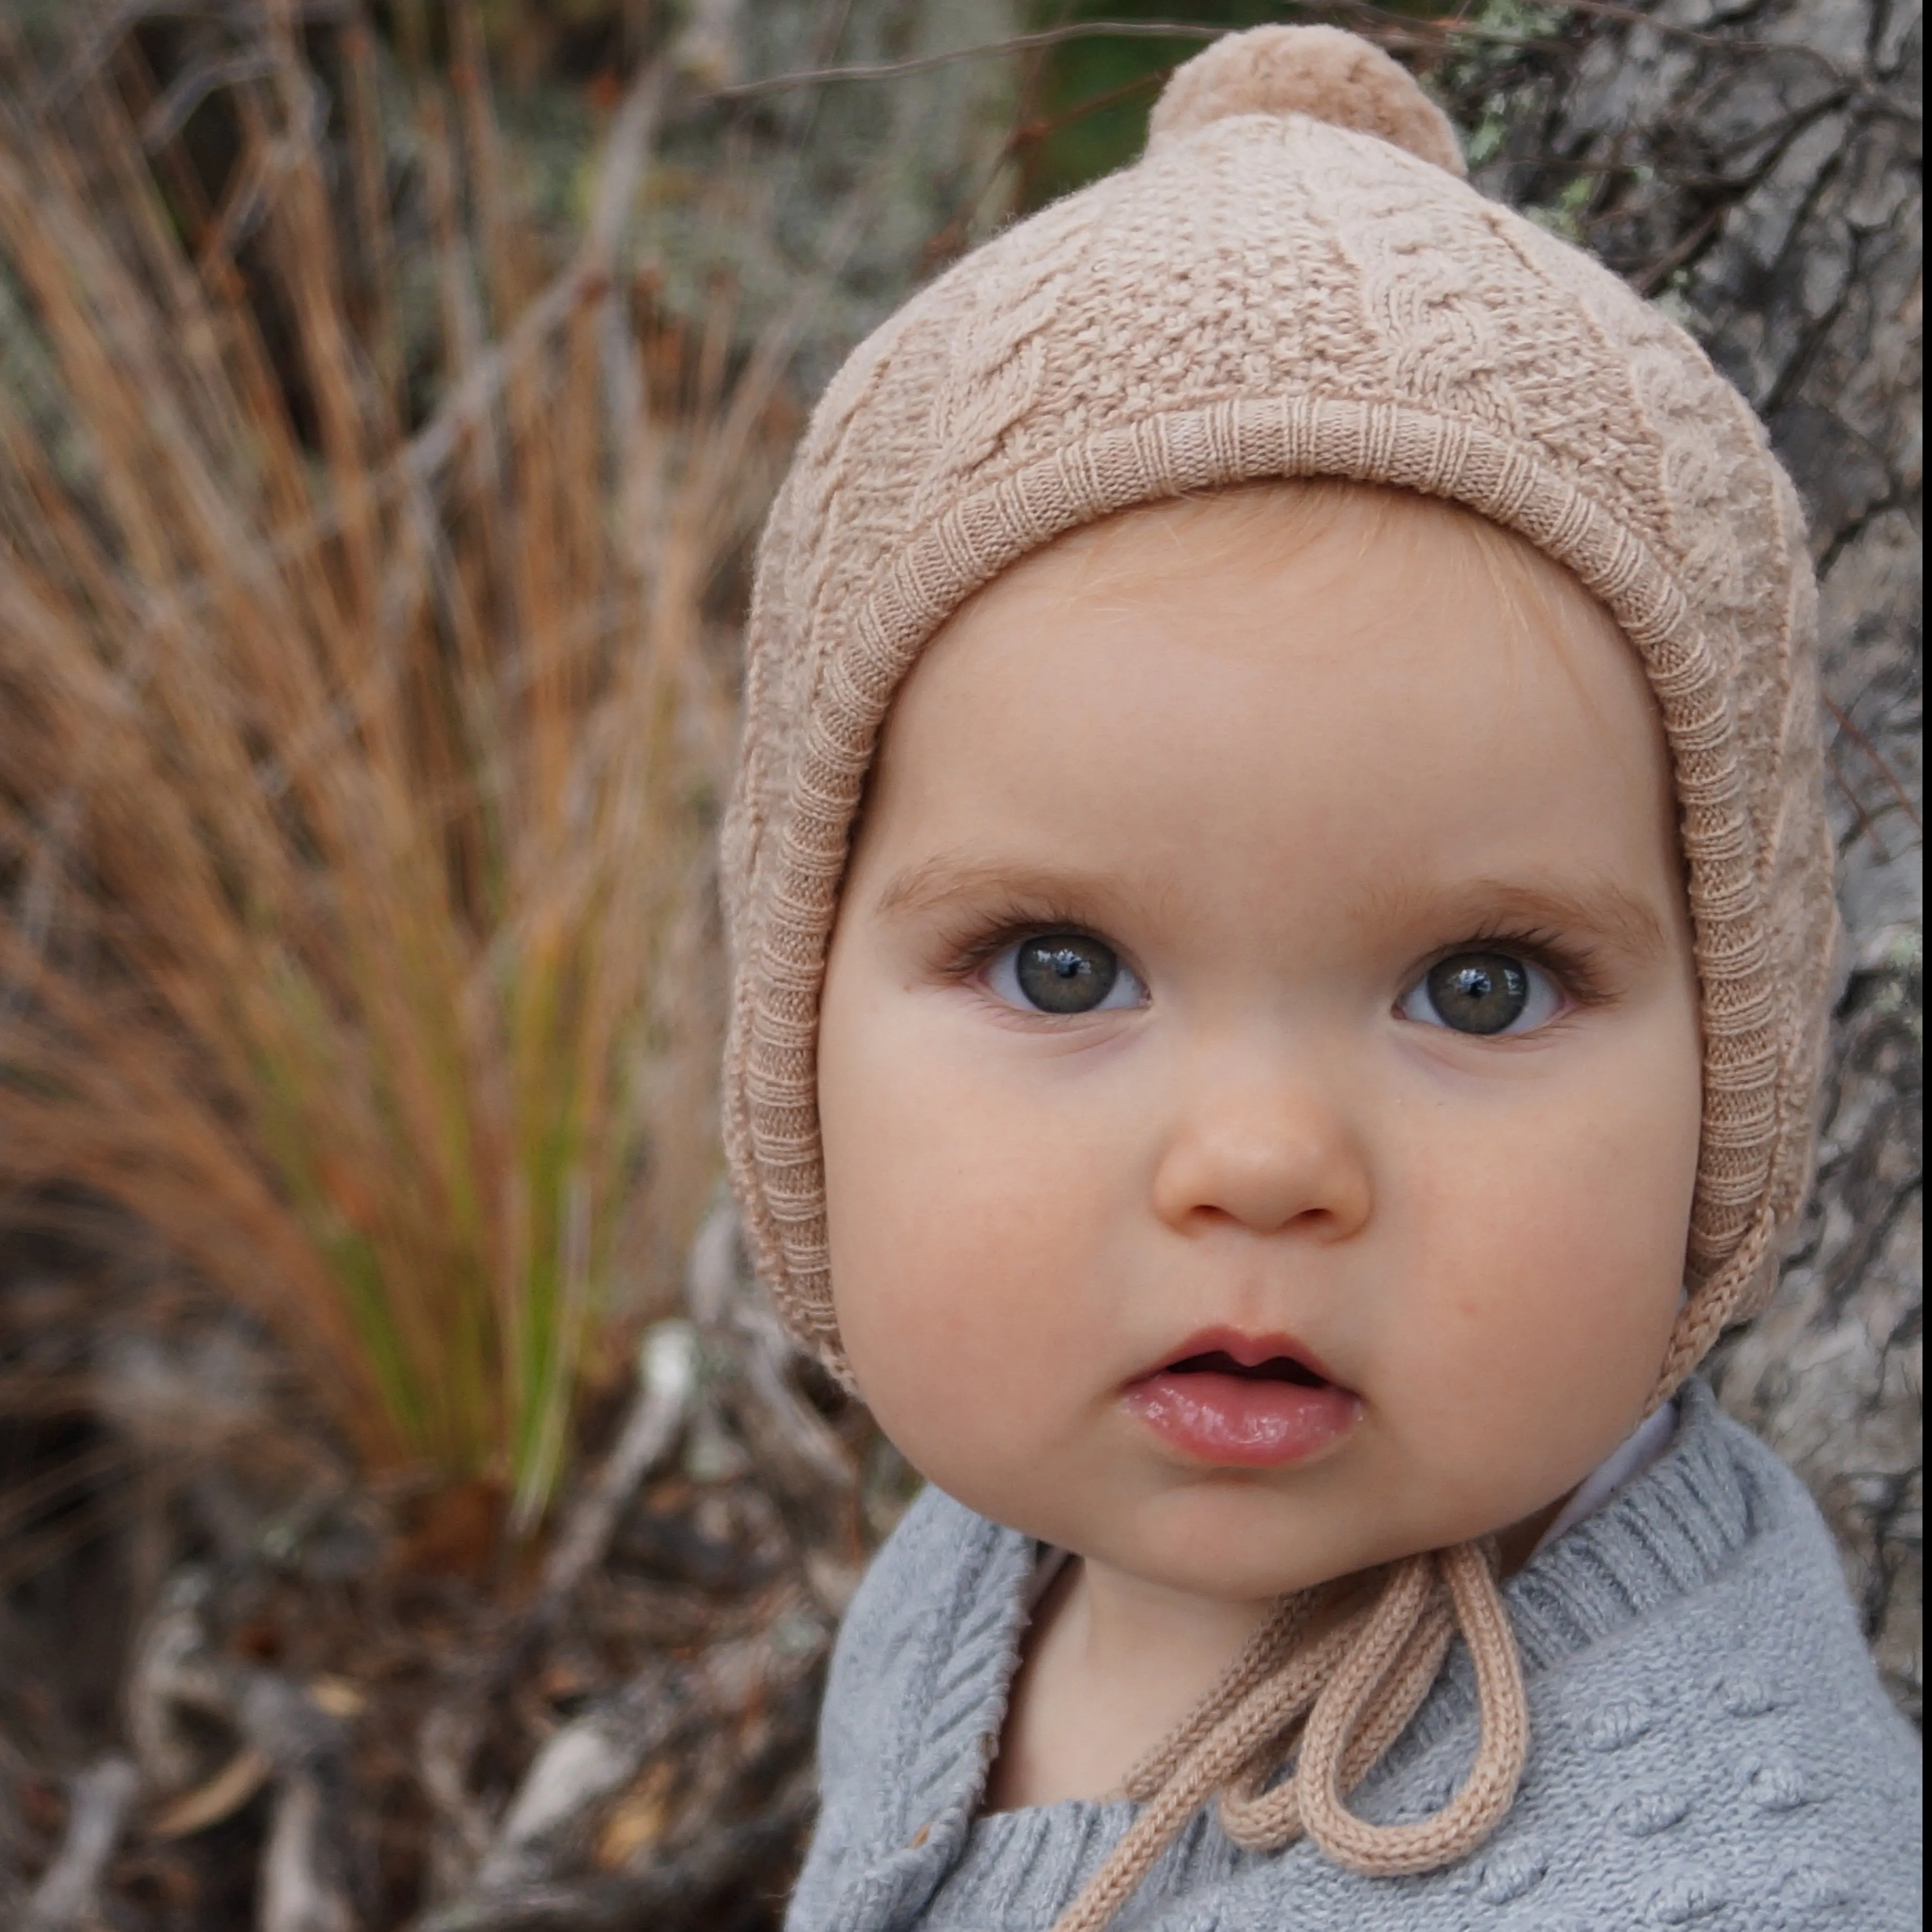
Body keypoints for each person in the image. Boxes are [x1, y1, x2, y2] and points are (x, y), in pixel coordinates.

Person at [717, 25, 1921, 1932]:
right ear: (796, 1032)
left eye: (1480, 989)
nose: (1263, 1161)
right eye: (1061, 965)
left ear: (1736, 1079)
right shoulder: (986, 1567)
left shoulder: (1705, 1879)